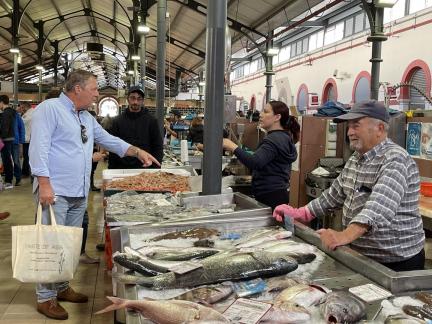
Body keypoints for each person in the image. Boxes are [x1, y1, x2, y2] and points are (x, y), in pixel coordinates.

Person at [29, 70, 160, 320]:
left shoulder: (86, 117)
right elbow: (38, 148)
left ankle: (62, 286)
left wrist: (136, 151)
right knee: (50, 244)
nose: (97, 93)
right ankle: (45, 297)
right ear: (77, 89)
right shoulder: (50, 109)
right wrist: (44, 183)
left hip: (77, 192)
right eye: (94, 89)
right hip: (55, 191)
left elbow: (108, 139)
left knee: (69, 245)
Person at [273, 100, 425, 272]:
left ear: (380, 129)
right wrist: (302, 213)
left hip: (398, 262)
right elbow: (333, 195)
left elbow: (378, 209)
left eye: (356, 126)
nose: (350, 132)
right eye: (349, 126)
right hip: (364, 256)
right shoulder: (356, 158)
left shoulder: (395, 159)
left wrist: (342, 236)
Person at [223, 100, 300, 210]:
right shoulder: (283, 137)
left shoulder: (274, 139)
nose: (261, 114)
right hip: (277, 193)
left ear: (277, 117)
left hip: (271, 196)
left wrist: (232, 146)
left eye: (266, 112)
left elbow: (255, 162)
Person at [108, 86, 163, 169]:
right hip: (122, 168)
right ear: (128, 99)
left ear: (142, 101)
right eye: (133, 98)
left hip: (144, 168)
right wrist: (111, 168)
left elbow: (157, 145)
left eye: (139, 99)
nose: (135, 102)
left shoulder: (151, 121)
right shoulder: (117, 121)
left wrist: (156, 167)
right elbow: (113, 147)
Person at [0, 95, 16, 189]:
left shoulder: (6, 113)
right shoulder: (10, 112)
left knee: (7, 160)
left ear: (2, 102)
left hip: (5, 139)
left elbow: (5, 127)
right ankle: (8, 180)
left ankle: (8, 181)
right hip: (8, 138)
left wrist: (1, 136)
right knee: (7, 160)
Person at [12, 106, 25, 186]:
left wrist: (21, 141)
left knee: (16, 160)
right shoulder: (2, 114)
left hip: (15, 141)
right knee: (5, 160)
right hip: (3, 141)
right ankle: (8, 179)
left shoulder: (16, 115)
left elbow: (21, 128)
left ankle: (18, 178)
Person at [20, 102, 33, 178]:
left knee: (26, 156)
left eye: (22, 107)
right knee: (28, 156)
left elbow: (21, 122)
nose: (21, 109)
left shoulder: (27, 115)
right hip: (30, 138)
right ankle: (27, 172)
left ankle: (25, 173)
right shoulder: (32, 112)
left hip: (27, 139)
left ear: (25, 107)